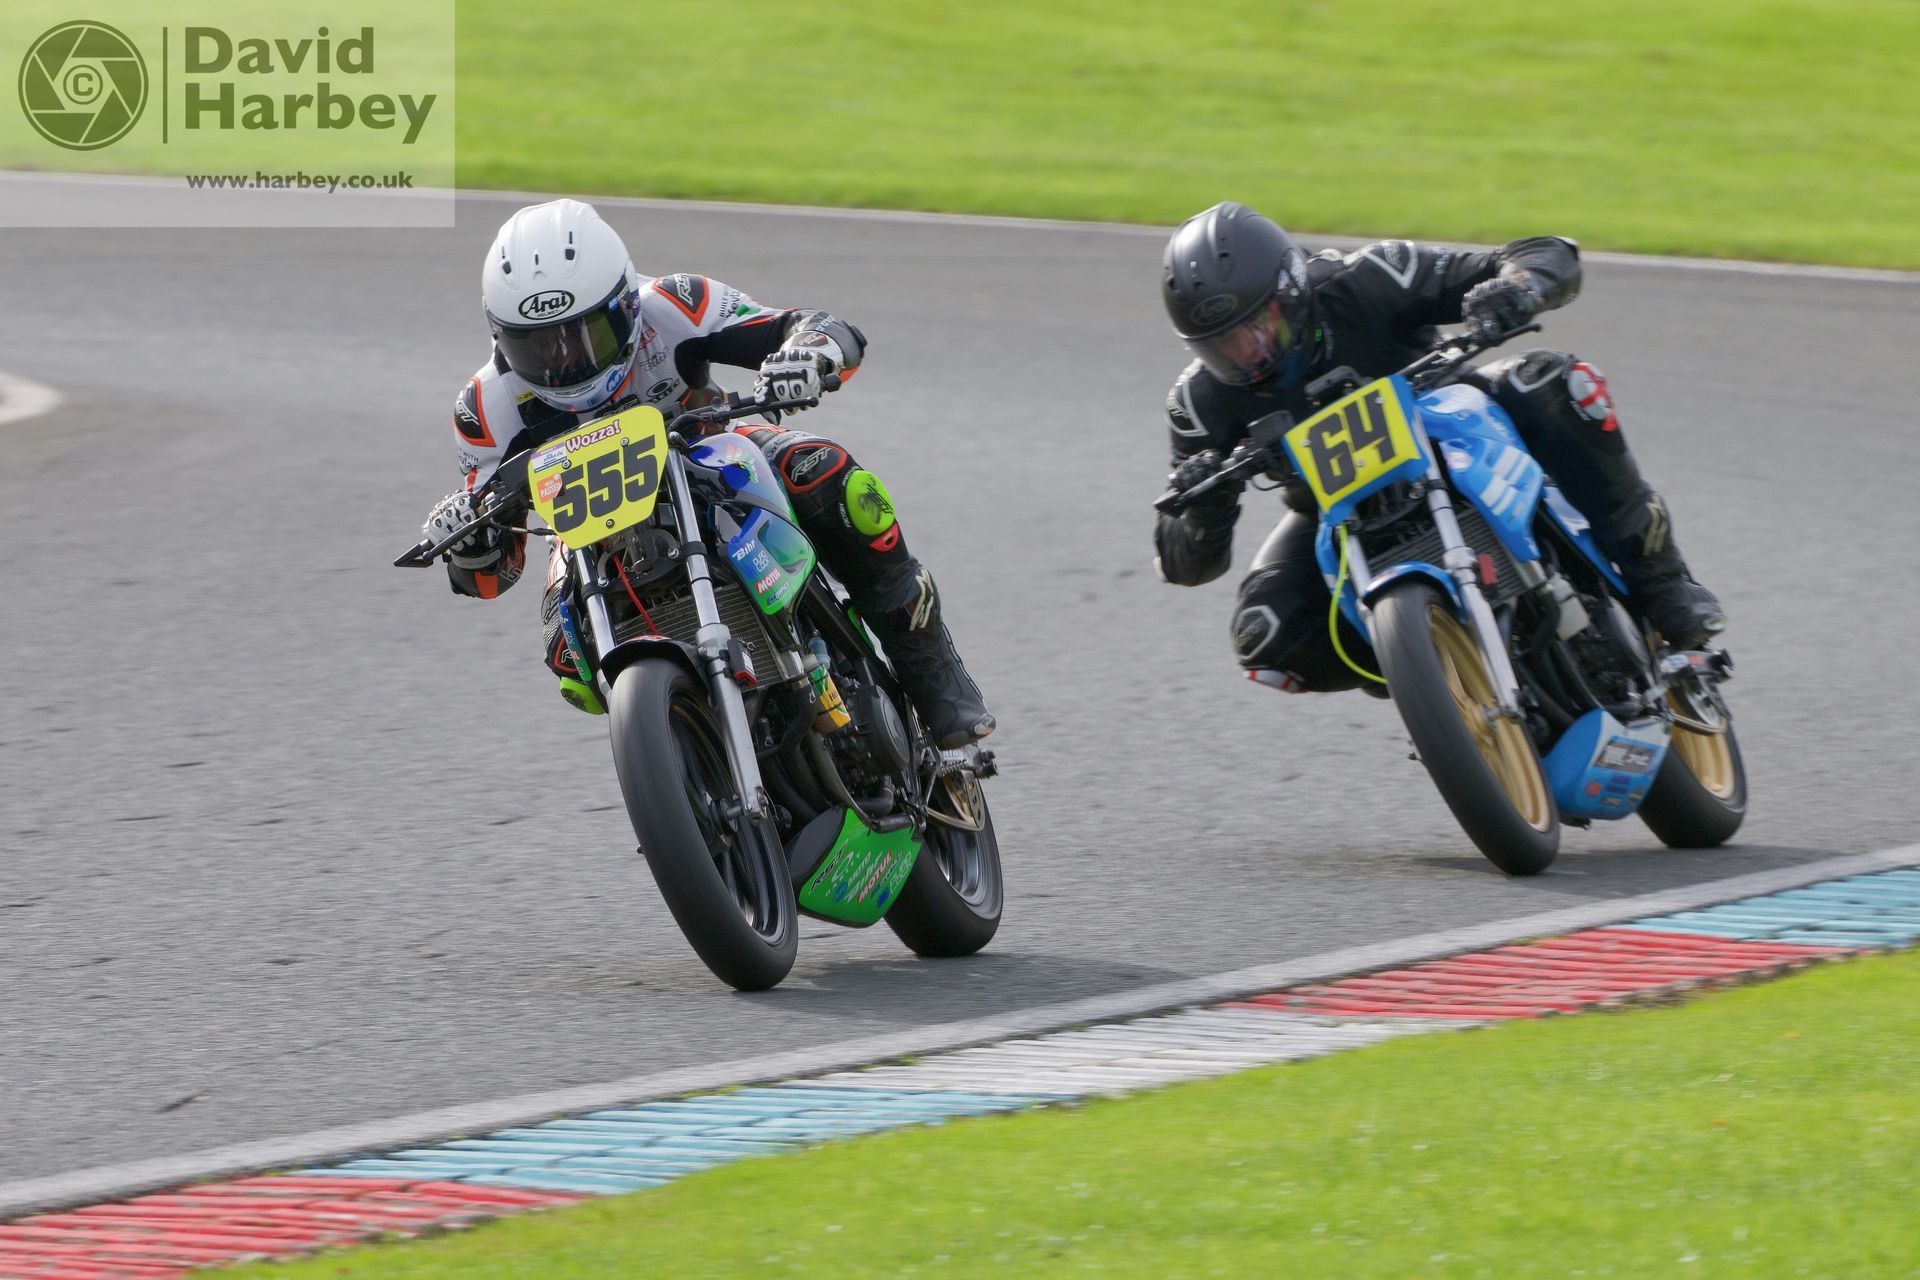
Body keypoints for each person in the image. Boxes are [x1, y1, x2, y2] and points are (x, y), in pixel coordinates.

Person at [420, 198, 993, 746]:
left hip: (713, 451)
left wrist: (808, 355)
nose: (565, 360)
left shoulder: (676, 305)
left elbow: (809, 325)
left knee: (829, 475)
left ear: (626, 304)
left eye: (584, 335)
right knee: (565, 655)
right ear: (499, 337)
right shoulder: (483, 409)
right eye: (538, 347)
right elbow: (495, 575)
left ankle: (929, 667)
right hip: (589, 531)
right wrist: (471, 541)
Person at [1154, 201, 1725, 693]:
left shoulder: (1368, 278)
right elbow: (1185, 564)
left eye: (1259, 328)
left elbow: (1547, 253)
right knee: (1264, 632)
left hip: (1451, 419)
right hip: (1335, 509)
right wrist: (1206, 504)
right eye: (1222, 347)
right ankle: (1447, 685)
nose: (1248, 355)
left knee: (1557, 383)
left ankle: (1663, 582)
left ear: (1293, 290)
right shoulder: (1200, 402)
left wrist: (1515, 289)